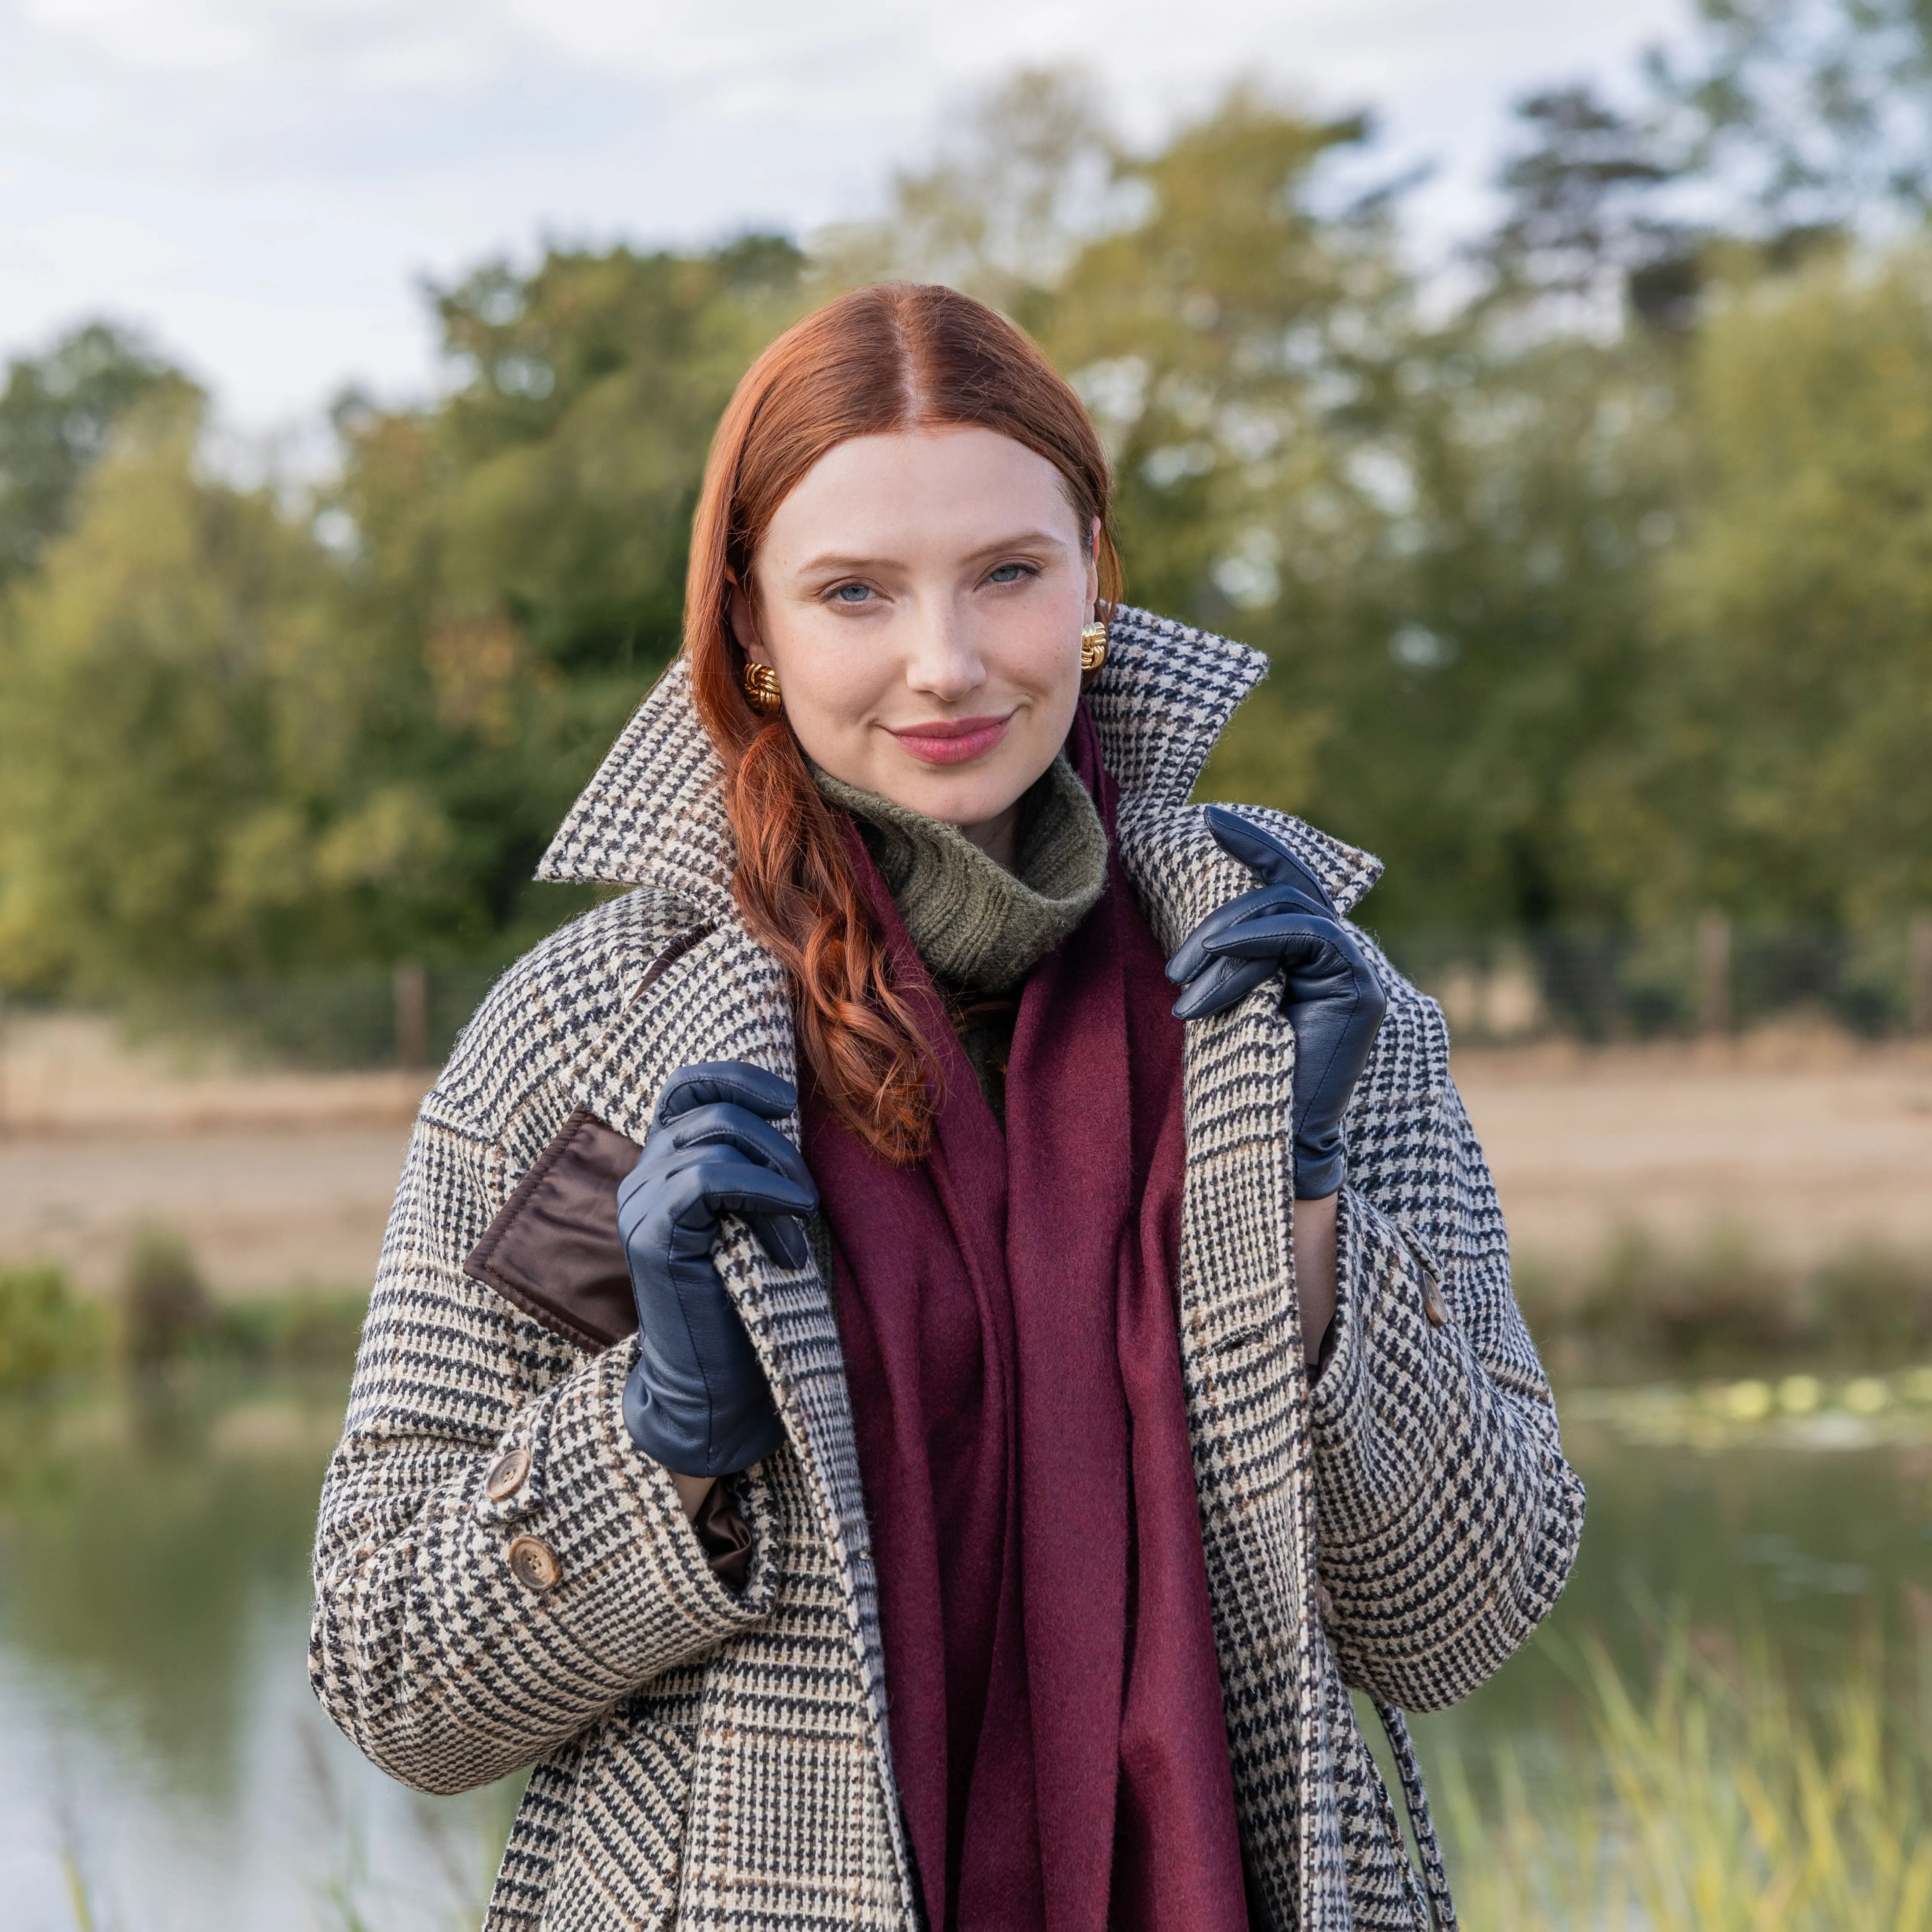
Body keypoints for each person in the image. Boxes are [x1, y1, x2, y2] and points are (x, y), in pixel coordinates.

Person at [311, 282, 1584, 1932]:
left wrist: (1306, 1219)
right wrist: (661, 1434)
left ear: (1093, 586)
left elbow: (1458, 1619)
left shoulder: (1298, 995)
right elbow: (394, 1676)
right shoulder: (591, 1051)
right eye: (855, 592)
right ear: (750, 627)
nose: (947, 663)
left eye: (1008, 573)